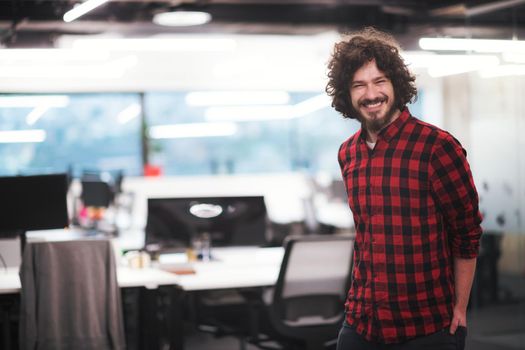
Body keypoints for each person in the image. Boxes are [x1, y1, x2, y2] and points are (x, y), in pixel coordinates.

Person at [326, 27, 483, 350]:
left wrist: (460, 309)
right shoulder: (348, 153)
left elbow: (466, 233)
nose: (371, 94)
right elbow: (366, 233)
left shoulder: (436, 147)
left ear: (396, 83)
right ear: (347, 93)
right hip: (361, 321)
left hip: (425, 325)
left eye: (379, 81)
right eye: (359, 85)